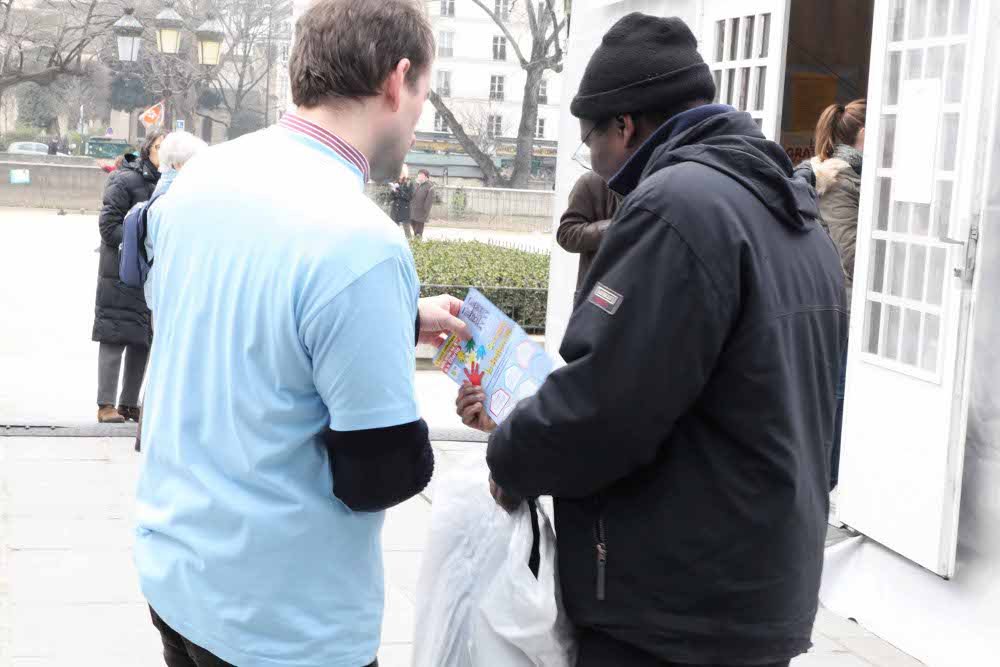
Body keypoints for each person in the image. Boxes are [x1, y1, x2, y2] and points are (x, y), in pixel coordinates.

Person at [457, 13, 847, 667]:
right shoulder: (793, 216)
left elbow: (605, 406)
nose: (602, 172)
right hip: (760, 588)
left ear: (626, 126)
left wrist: (511, 454)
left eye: (593, 145)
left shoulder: (676, 206)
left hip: (672, 608)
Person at [134, 2, 465, 666]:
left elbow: (246, 324)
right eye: (425, 92)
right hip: (283, 626)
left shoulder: (200, 179)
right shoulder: (360, 242)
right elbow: (377, 474)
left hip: (178, 579)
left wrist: (395, 316)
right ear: (397, 81)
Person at [118, 130, 209, 452]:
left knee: (163, 359)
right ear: (183, 165)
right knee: (170, 361)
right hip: (174, 293)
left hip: (161, 292)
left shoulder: (162, 197)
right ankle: (159, 434)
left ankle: (152, 433)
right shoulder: (175, 204)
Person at [93, 130, 163, 423]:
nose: (164, 152)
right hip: (120, 270)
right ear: (148, 150)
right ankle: (105, 404)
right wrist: (141, 243)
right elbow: (108, 227)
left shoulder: (171, 184)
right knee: (114, 334)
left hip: (151, 273)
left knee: (141, 339)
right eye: (159, 147)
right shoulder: (124, 179)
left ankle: (129, 403)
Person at [556, 171, 620, 297]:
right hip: (599, 295)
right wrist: (617, 227)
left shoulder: (658, 181)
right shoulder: (591, 181)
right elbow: (566, 234)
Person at [409, 168, 434, 239]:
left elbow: (429, 202)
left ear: (426, 177)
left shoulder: (430, 187)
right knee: (414, 229)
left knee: (418, 231)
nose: (419, 176)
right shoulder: (414, 184)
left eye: (421, 175)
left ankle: (418, 243)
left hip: (421, 212)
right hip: (412, 211)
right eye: (419, 174)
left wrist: (425, 213)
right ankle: (417, 242)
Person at [389, 164, 414, 237]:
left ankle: (410, 244)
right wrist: (393, 192)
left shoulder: (409, 183)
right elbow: (391, 198)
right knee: (394, 229)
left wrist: (399, 189)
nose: (400, 173)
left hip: (404, 209)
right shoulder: (395, 181)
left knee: (406, 229)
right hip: (395, 209)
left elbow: (409, 197)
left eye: (401, 171)